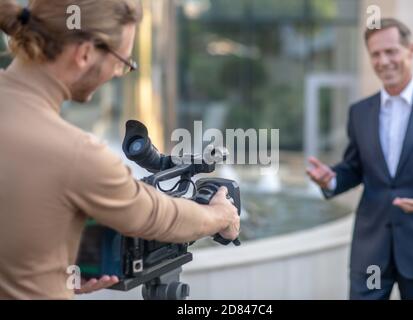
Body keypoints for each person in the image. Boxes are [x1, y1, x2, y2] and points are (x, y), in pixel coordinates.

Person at [0, 0, 239, 299]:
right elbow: (157, 217)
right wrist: (220, 216)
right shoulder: (75, 154)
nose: (117, 72)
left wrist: (45, 272)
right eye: (122, 61)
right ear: (85, 52)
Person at [307, 18, 413, 300]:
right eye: (375, 54)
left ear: (410, 50)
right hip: (371, 251)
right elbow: (355, 168)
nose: (383, 61)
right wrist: (332, 179)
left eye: (391, 51)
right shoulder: (360, 112)